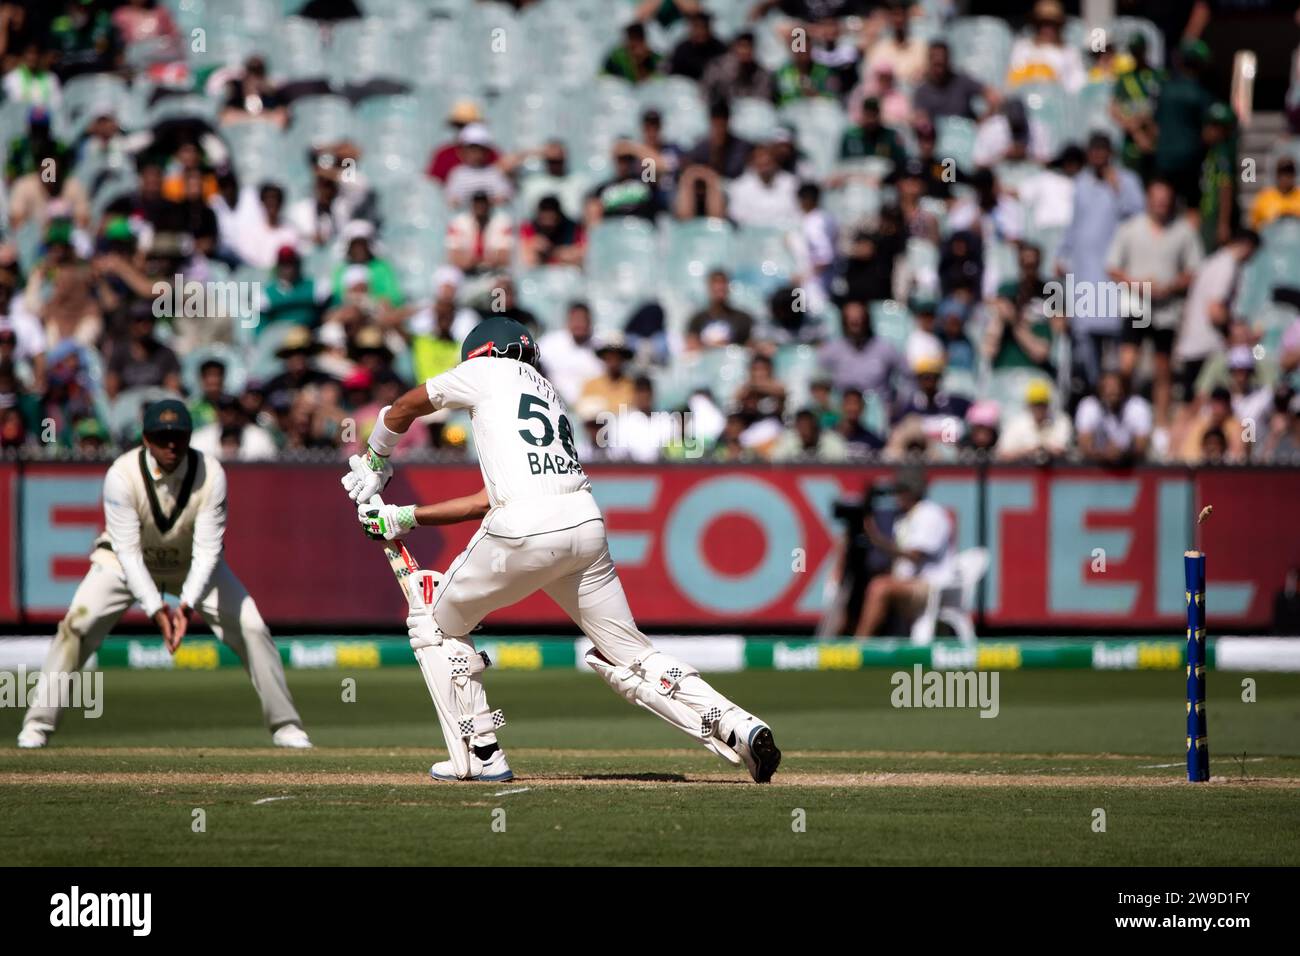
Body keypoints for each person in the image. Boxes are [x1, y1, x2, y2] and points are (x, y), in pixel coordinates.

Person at [343, 317, 780, 783]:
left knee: (434, 621)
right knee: (631, 653)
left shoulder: (487, 369)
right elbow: (488, 498)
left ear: (484, 350)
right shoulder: (549, 393)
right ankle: (737, 723)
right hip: (583, 523)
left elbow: (403, 406)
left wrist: (375, 459)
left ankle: (481, 754)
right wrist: (405, 516)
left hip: (524, 528)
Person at [18, 400, 310, 749]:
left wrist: (184, 606)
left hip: (191, 564)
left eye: (178, 437)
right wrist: (156, 608)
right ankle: (37, 727)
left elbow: (207, 551)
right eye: (161, 437)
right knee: (76, 626)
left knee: (252, 627)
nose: (171, 445)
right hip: (123, 564)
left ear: (189, 438)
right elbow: (126, 552)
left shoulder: (211, 473)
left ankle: (286, 726)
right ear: (145, 438)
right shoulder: (122, 475)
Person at [853, 469, 956, 638]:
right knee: (874, 581)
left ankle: (859, 646)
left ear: (913, 491)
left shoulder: (930, 514)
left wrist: (877, 539)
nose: (896, 496)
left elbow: (915, 555)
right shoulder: (905, 517)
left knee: (879, 588)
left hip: (932, 585)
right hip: (912, 583)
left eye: (901, 491)